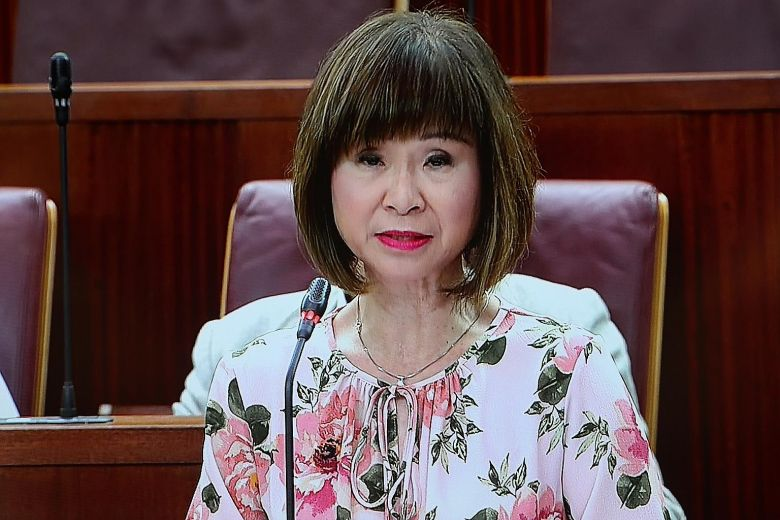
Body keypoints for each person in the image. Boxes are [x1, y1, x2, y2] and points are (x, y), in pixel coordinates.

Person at [188, 10, 675, 519]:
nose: (403, 198)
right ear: (325, 176)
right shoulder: (257, 386)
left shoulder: (569, 377)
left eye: (437, 159)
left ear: (487, 177)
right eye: (371, 158)